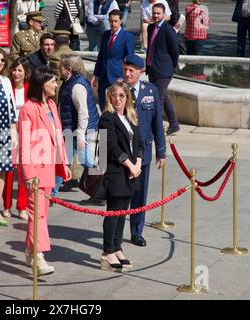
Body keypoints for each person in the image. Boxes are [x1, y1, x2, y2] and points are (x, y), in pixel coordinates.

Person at [18, 66, 71, 276]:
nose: (56, 85)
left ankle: (30, 250)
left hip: (49, 170)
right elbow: (24, 145)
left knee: (41, 215)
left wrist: (64, 164)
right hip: (35, 172)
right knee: (37, 215)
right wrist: (29, 175)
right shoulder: (28, 109)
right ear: (42, 84)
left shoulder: (51, 105)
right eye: (53, 82)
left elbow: (58, 137)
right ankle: (38, 255)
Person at [98, 81, 143, 272]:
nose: (117, 99)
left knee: (123, 211)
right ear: (109, 97)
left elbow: (139, 144)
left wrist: (138, 163)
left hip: (131, 172)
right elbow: (111, 147)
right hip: (116, 171)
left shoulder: (130, 117)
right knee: (114, 211)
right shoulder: (107, 118)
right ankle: (107, 251)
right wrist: (130, 165)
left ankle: (117, 247)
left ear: (127, 98)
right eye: (114, 95)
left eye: (121, 96)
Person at [122, 54, 165, 247]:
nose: (127, 73)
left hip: (144, 152)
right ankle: (115, 233)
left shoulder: (151, 91)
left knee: (140, 195)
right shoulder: (117, 91)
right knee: (121, 195)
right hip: (123, 153)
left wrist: (161, 151)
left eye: (131, 70)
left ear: (141, 71)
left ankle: (136, 231)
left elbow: (157, 123)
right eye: (125, 69)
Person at [53, 54, 102, 206]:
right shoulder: (71, 82)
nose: (59, 69)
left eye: (61, 67)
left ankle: (99, 193)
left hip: (80, 132)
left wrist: (80, 135)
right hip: (74, 131)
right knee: (63, 161)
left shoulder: (77, 86)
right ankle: (51, 194)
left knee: (87, 162)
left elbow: (83, 113)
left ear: (68, 69)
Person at [0, 47, 18, 226]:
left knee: (2, 170)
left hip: (5, 131)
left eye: (2, 60)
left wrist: (13, 130)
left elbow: (11, 107)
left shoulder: (6, 81)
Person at [2, 57, 30, 220]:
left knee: (23, 172)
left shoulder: (30, 88)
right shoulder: (6, 87)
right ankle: (6, 206)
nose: (16, 73)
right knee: (8, 171)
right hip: (8, 132)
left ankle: (22, 206)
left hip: (25, 132)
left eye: (20, 70)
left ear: (26, 73)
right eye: (14, 70)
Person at [146, 3, 180, 136]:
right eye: (154, 13)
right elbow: (150, 48)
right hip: (152, 69)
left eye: (158, 13)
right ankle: (174, 124)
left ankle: (156, 129)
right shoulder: (150, 28)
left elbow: (175, 51)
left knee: (157, 99)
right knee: (163, 96)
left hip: (164, 70)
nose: (155, 15)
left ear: (164, 15)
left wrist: (171, 67)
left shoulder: (168, 29)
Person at [92, 9, 134, 111]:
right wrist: (95, 75)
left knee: (115, 107)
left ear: (120, 21)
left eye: (115, 21)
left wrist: (123, 76)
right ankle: (103, 127)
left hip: (117, 78)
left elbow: (129, 59)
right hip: (103, 77)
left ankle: (114, 127)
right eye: (111, 21)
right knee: (103, 106)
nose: (113, 23)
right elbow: (101, 56)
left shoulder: (127, 37)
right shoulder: (106, 35)